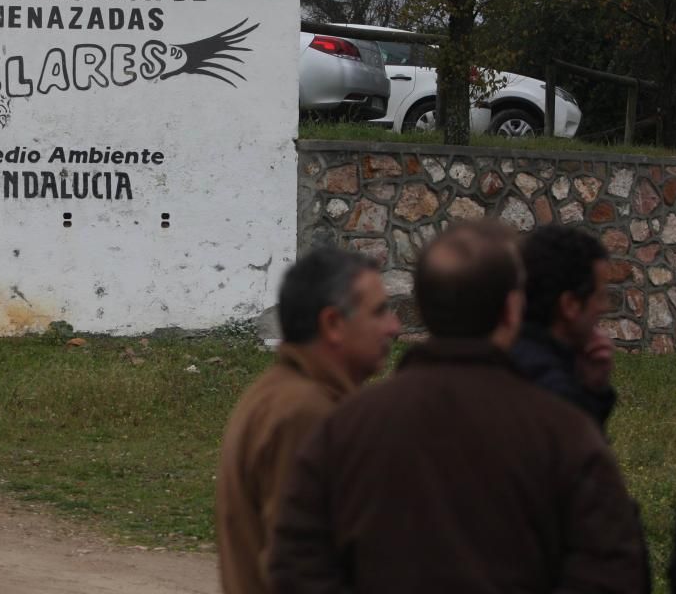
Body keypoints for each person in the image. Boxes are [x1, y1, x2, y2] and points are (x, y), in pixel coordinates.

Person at [268, 221, 647, 593]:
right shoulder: (563, 429)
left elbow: (295, 562)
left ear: (423, 307)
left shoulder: (346, 426)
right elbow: (613, 568)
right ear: (511, 310)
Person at [216, 246, 399, 594]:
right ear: (333, 324)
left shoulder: (279, 392)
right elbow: (299, 566)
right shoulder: (305, 413)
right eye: (378, 312)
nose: (394, 327)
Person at [512, 225, 616, 430]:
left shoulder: (497, 357)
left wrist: (591, 388)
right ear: (570, 305)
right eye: (601, 297)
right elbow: (581, 458)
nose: (605, 308)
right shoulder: (556, 396)